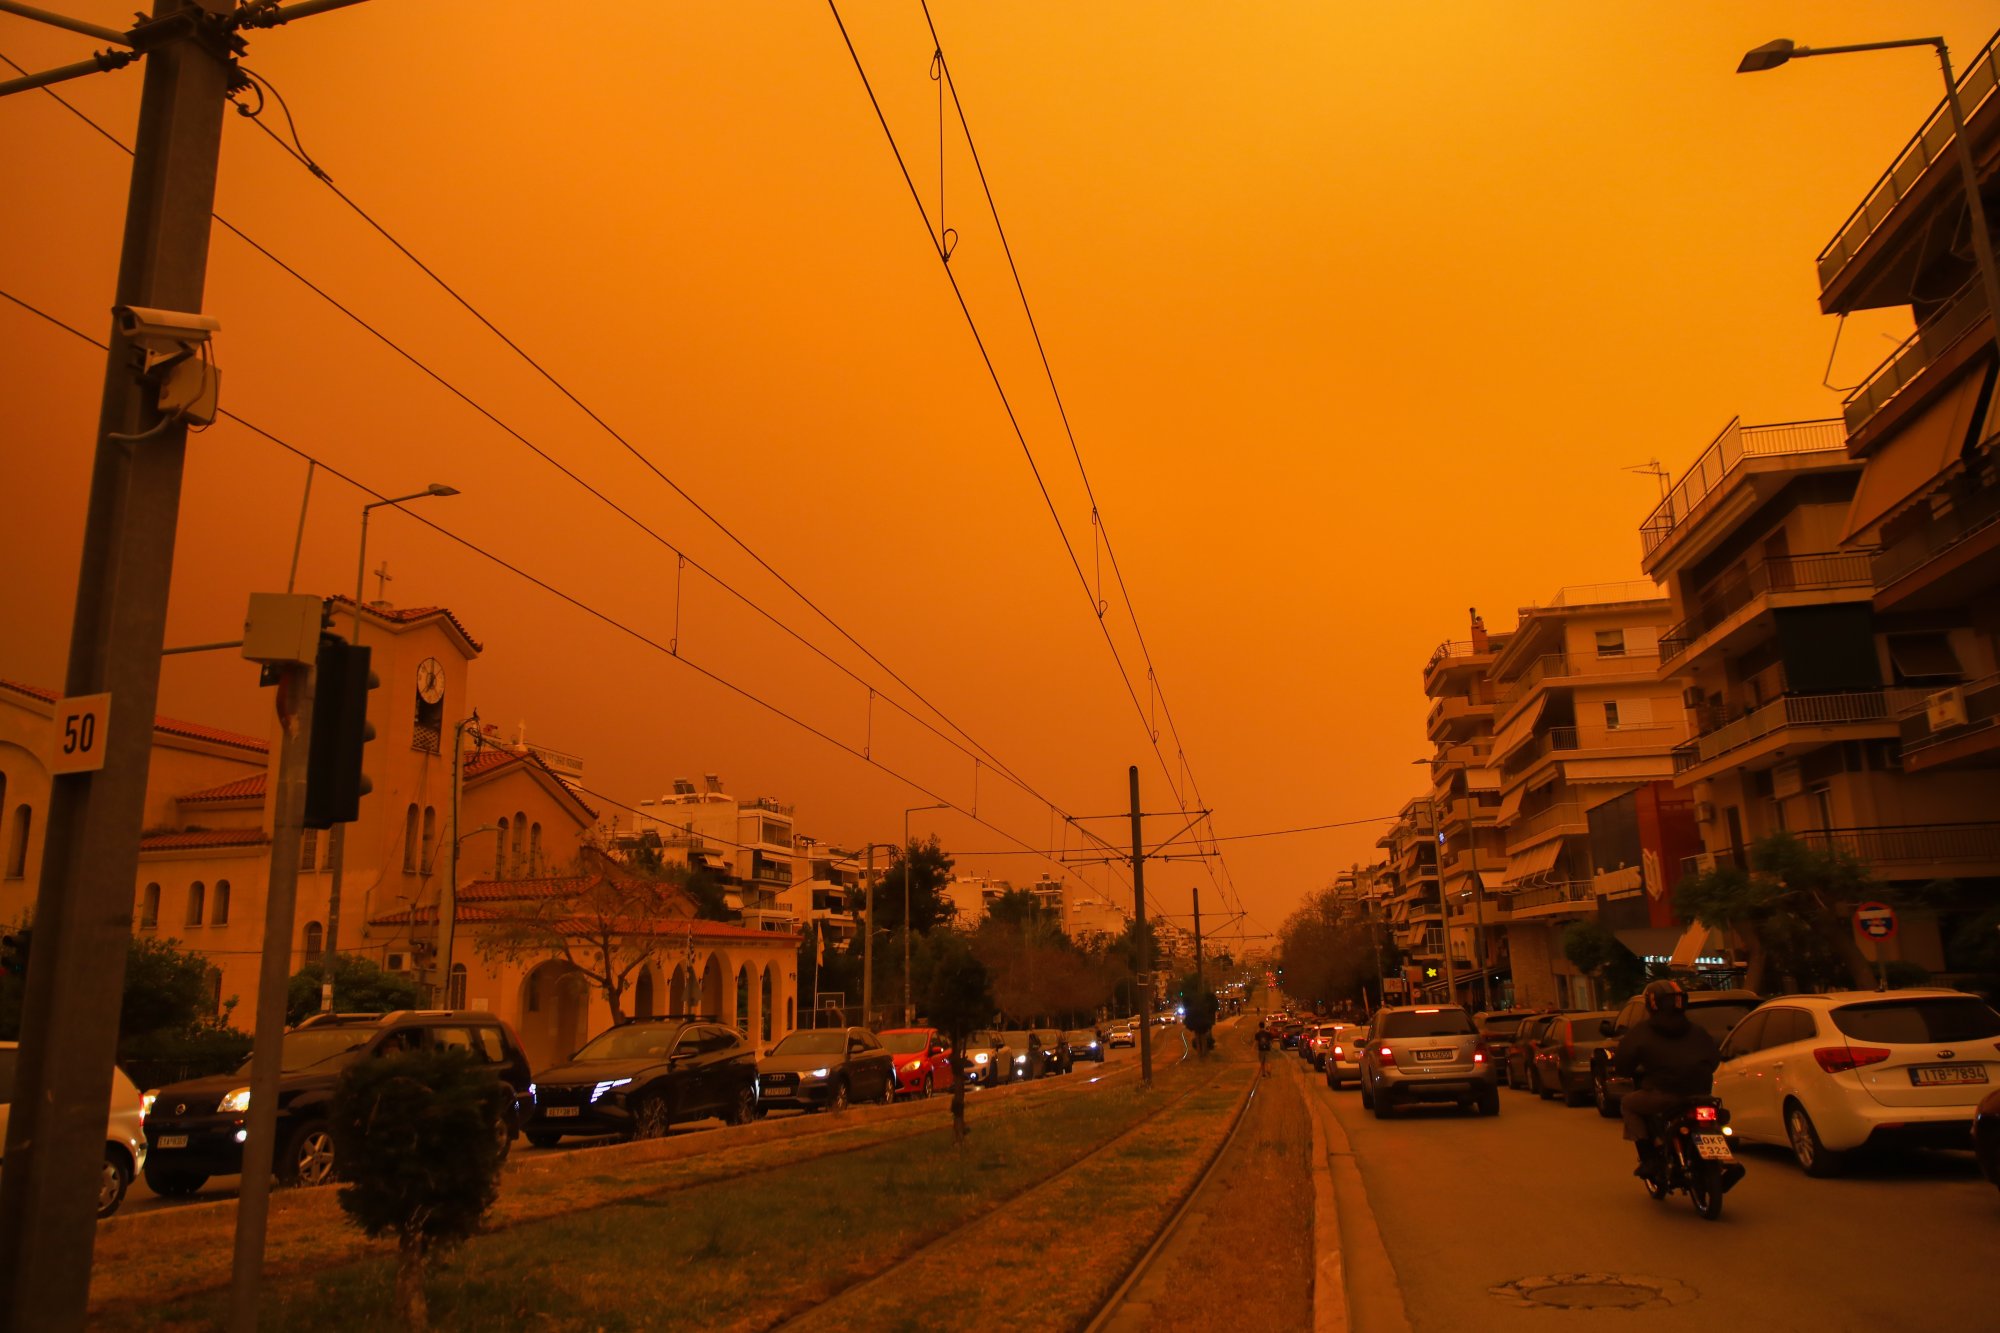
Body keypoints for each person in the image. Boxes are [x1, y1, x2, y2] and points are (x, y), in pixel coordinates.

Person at [1613, 979, 1722, 1180]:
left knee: (1628, 1104)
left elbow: (1623, 1062)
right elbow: (1714, 1059)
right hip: (1701, 1094)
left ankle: (1648, 1158)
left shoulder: (1642, 1031)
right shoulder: (1697, 1030)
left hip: (1664, 1094)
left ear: (1651, 1003)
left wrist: (1625, 1070)